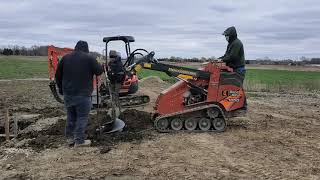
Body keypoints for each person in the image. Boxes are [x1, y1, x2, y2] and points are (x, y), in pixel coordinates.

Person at [55, 40, 103, 147]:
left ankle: (70, 139)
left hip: (68, 94)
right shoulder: (89, 58)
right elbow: (99, 71)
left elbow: (57, 75)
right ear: (86, 48)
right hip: (83, 94)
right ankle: (79, 141)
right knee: (82, 117)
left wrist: (61, 89)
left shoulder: (65, 58)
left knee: (71, 116)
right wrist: (101, 64)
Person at [218, 26, 247, 110]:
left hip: (238, 69)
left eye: (226, 36)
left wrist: (222, 60)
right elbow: (226, 55)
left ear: (231, 35)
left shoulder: (237, 43)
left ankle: (243, 106)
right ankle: (232, 104)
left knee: (238, 87)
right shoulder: (230, 43)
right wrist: (218, 59)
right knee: (232, 87)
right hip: (233, 68)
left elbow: (232, 57)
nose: (225, 37)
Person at [107, 50, 125, 118]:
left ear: (115, 57)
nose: (111, 59)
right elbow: (109, 70)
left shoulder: (119, 64)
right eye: (110, 57)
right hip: (112, 81)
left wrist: (113, 74)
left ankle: (118, 110)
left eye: (112, 57)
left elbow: (121, 74)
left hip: (117, 82)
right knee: (112, 94)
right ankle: (113, 108)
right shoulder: (110, 63)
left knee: (115, 95)